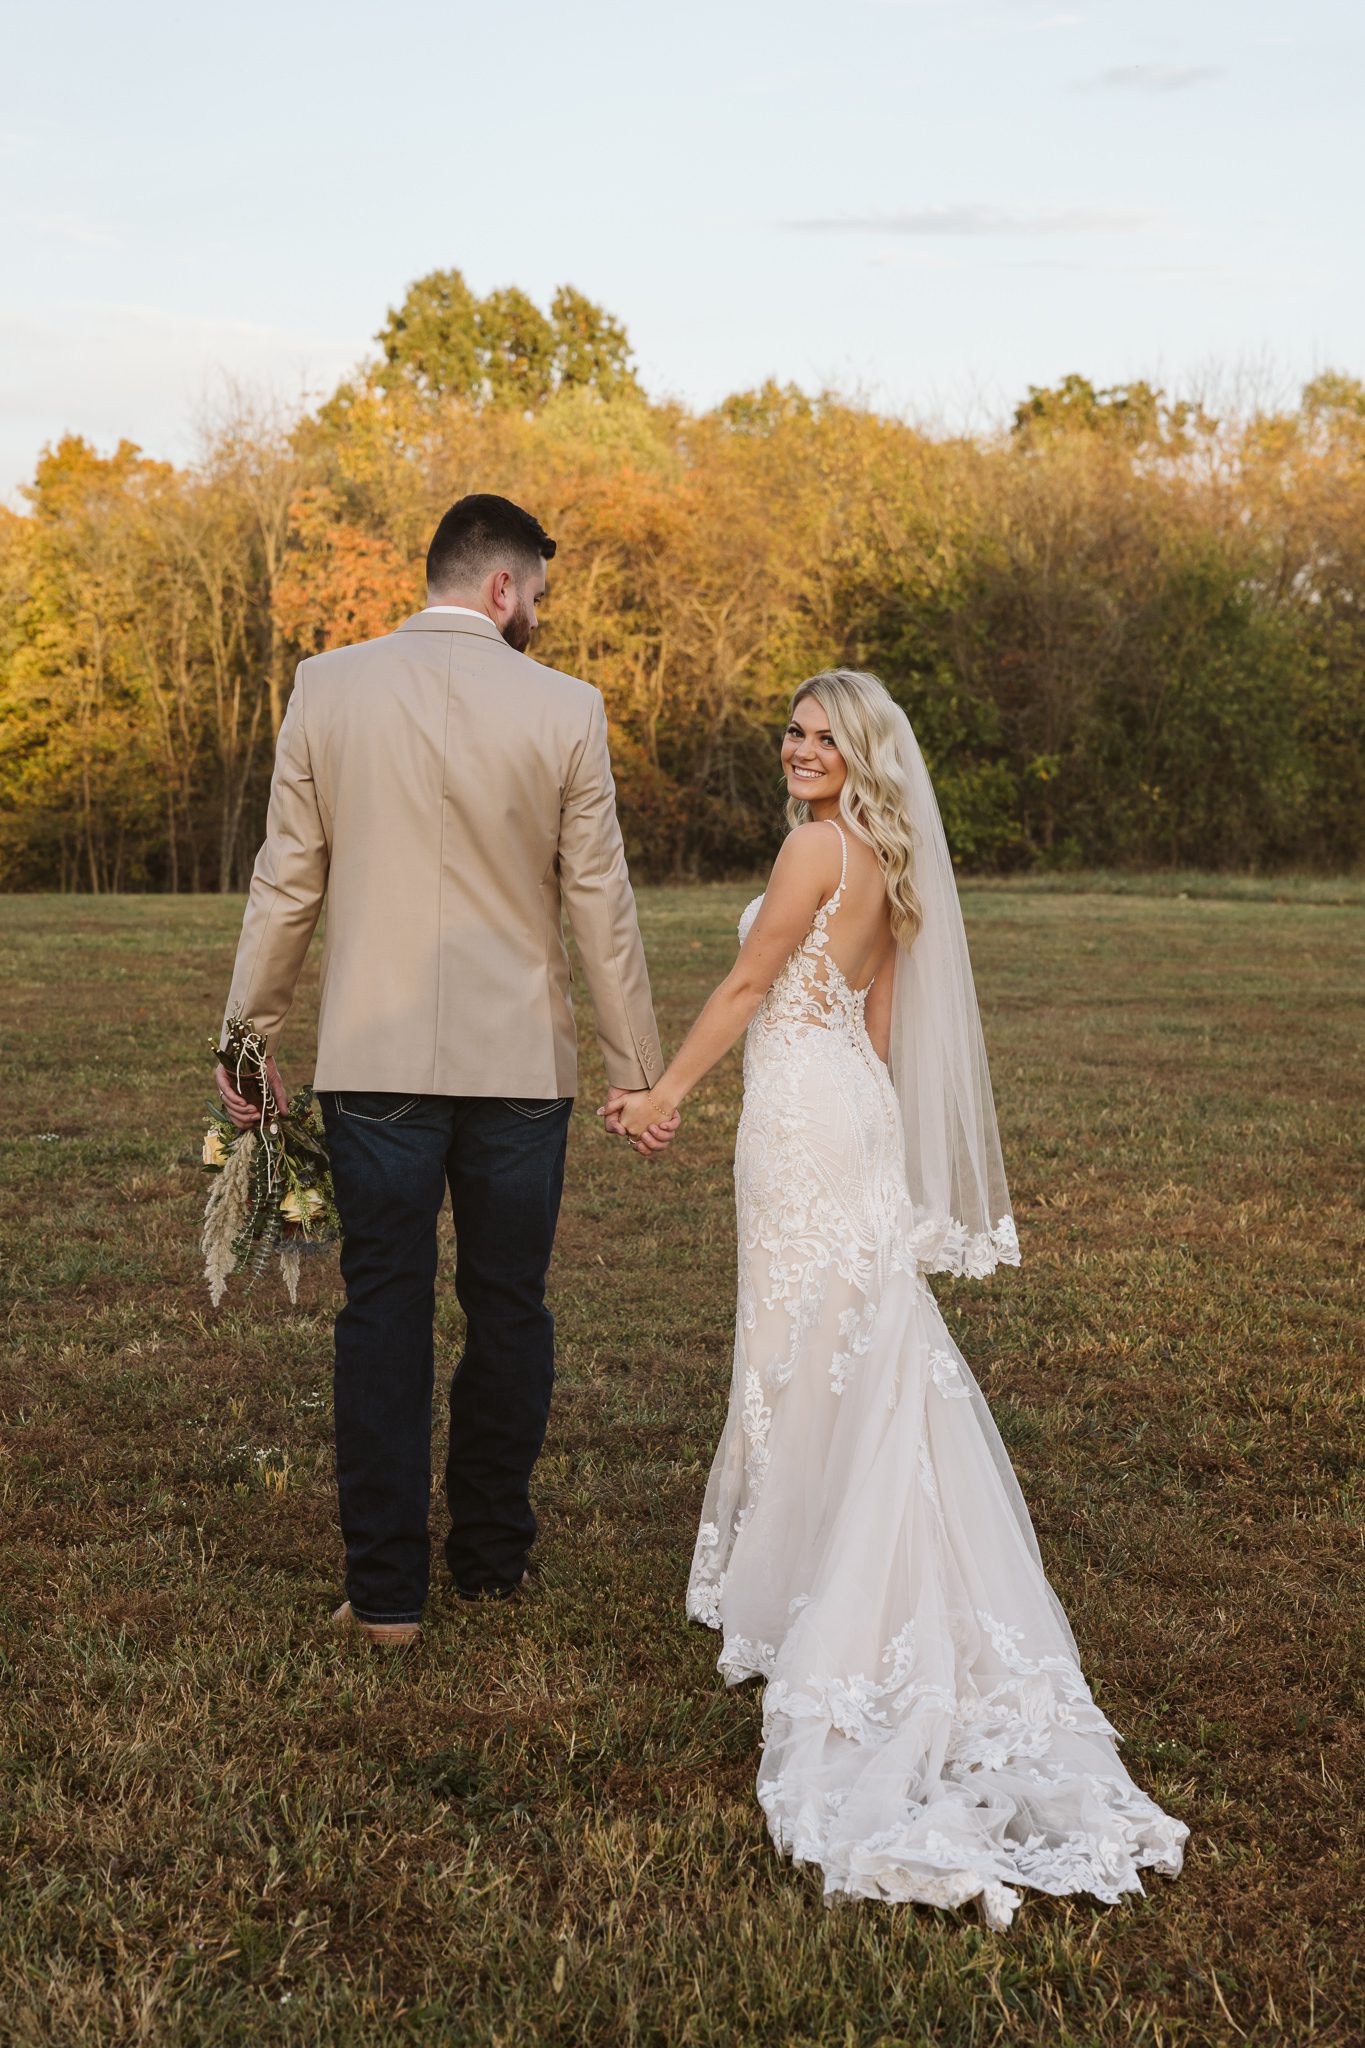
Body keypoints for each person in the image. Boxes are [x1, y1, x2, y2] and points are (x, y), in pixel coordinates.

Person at [613, 669, 1188, 1927]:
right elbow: (877, 1028)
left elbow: (749, 984)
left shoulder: (815, 848)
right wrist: (849, 1124)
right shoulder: (890, 856)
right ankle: (836, 1561)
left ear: (861, 752)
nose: (800, 749)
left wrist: (663, 1094)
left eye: (825, 737)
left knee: (801, 1339)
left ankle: (817, 1586)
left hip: (802, 1119)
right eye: (793, 731)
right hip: (850, 1112)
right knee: (858, 1337)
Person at [216, 493, 677, 1648]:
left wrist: (246, 1035)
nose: (540, 618)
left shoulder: (327, 686)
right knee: (508, 1305)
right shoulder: (567, 707)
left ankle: (385, 1597)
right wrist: (636, 1067)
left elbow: (287, 879)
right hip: (520, 1063)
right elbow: (600, 899)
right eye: (539, 597)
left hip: (375, 1055)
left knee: (384, 1308)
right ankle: (490, 1561)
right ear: (502, 587)